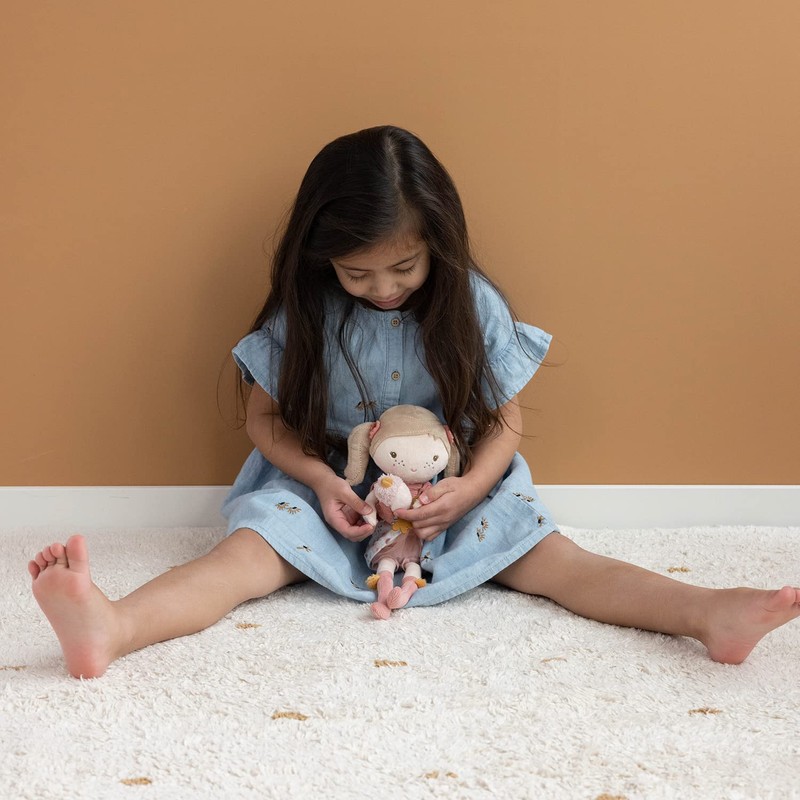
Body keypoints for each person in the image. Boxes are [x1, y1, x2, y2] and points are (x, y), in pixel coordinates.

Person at [28, 125, 799, 679]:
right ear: (322, 257)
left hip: (453, 485)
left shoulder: (470, 302)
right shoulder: (305, 312)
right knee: (239, 562)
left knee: (561, 564)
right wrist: (322, 481)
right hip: (327, 484)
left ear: (439, 243)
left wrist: (471, 486)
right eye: (358, 274)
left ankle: (707, 612)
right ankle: (114, 626)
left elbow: (505, 419)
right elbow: (264, 418)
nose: (384, 288)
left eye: (404, 268)